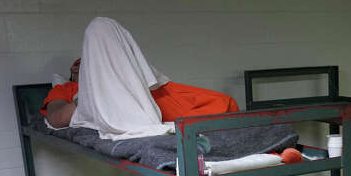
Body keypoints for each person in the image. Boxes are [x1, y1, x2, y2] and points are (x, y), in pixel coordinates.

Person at [42, 17, 238, 138]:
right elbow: (56, 117)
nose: (85, 63)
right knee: (100, 25)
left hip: (151, 96)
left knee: (224, 103)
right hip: (133, 108)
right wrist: (89, 97)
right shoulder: (66, 89)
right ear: (73, 71)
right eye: (81, 63)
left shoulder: (121, 69)